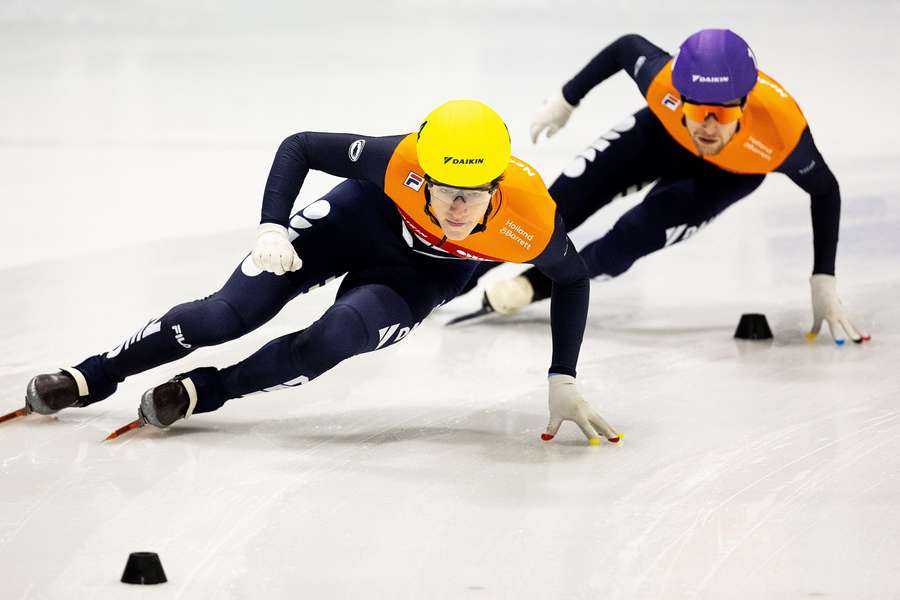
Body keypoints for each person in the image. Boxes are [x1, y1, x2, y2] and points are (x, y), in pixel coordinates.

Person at [17, 100, 619, 444]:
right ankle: (92, 375)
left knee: (333, 338)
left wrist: (562, 375)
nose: (458, 210)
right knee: (226, 314)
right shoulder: (396, 159)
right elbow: (300, 144)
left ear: (497, 187)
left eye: (473, 195)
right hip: (356, 223)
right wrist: (272, 225)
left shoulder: (531, 219)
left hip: (412, 281)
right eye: (443, 192)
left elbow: (573, 278)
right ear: (422, 174)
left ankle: (208, 390)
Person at [454, 30, 869, 346]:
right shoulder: (662, 80)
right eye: (698, 110)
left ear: (744, 104)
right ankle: (457, 274)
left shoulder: (782, 135)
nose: (707, 127)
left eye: (721, 115)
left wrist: (823, 279)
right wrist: (566, 99)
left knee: (631, 238)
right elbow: (625, 47)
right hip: (661, 136)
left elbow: (825, 190)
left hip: (730, 173)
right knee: (553, 205)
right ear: (679, 94)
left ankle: (532, 287)